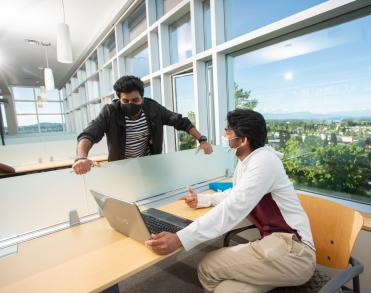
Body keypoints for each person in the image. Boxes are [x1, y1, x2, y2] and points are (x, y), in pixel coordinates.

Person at [146, 109, 316, 292]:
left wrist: (181, 238)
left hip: (294, 252)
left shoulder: (264, 161)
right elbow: (236, 193)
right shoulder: (249, 160)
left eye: (228, 131)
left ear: (243, 140)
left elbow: (234, 206)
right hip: (275, 245)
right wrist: (203, 199)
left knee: (207, 267)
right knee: (226, 288)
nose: (225, 135)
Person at [72, 75, 212, 175]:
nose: (131, 104)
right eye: (125, 101)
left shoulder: (153, 108)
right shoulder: (111, 112)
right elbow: (89, 134)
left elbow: (181, 122)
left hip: (147, 164)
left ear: (142, 98)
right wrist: (81, 157)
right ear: (119, 99)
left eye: (135, 100)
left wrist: (202, 140)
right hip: (121, 167)